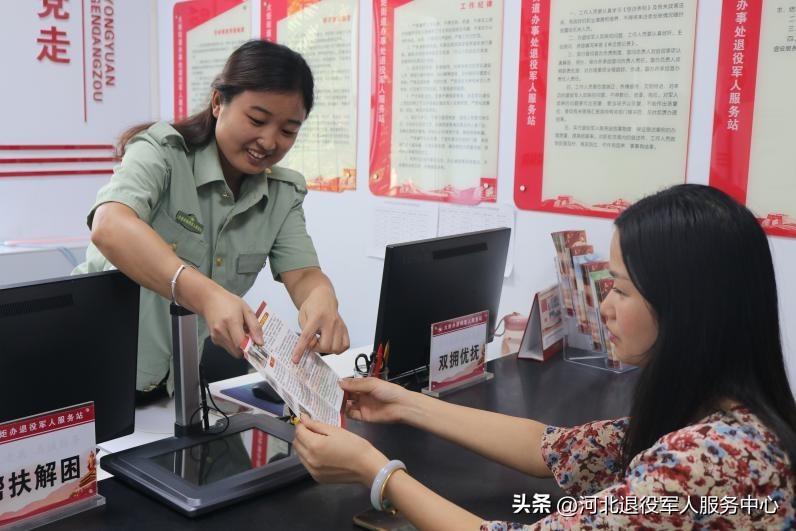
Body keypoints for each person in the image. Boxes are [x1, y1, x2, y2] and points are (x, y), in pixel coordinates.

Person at [293, 184, 796, 529]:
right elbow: (551, 449)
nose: (605, 306)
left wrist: (376, 472)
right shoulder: (722, 421)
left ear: (686, 309)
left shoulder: (703, 464)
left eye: (621, 290)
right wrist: (404, 403)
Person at [73, 40, 349, 397]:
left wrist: (322, 296)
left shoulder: (282, 193)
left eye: (287, 130)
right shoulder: (162, 153)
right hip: (90, 370)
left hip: (174, 387)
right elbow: (109, 226)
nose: (269, 141)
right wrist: (206, 296)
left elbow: (304, 275)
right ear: (218, 102)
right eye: (257, 120)